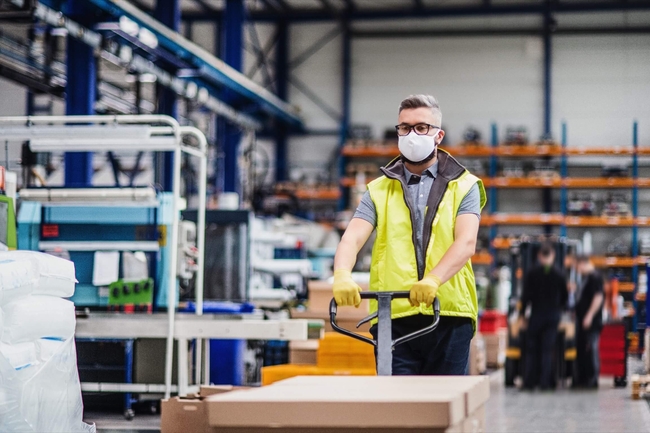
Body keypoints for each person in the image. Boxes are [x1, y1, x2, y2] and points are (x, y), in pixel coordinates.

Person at [332, 94, 486, 375]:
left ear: (438, 135)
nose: (412, 134)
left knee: (442, 409)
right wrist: (342, 273)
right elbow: (351, 238)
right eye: (404, 127)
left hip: (449, 314)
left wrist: (433, 279)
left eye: (421, 127)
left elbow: (466, 243)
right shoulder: (378, 189)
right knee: (398, 411)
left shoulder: (465, 185)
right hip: (395, 315)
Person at [520, 243, 568, 390]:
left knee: (532, 350)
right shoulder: (559, 274)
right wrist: (559, 311)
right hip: (552, 317)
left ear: (539, 256)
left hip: (536, 316)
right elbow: (565, 298)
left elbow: (525, 296)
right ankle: (546, 383)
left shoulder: (532, 273)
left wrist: (522, 315)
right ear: (553, 256)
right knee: (548, 350)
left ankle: (529, 382)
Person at [573, 255, 604, 389]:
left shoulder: (594, 277)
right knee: (584, 349)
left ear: (582, 263)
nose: (576, 270)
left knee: (591, 348)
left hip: (591, 321)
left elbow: (598, 297)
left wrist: (589, 316)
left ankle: (593, 379)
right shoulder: (587, 278)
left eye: (576, 267)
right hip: (584, 320)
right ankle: (584, 378)